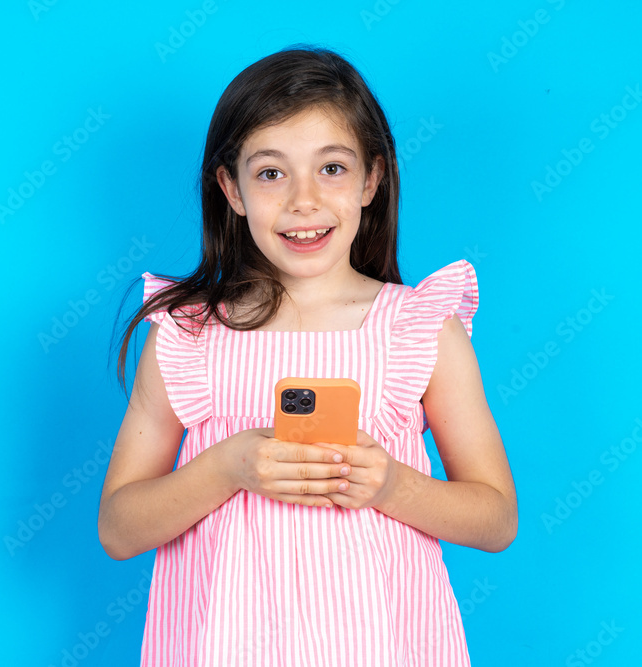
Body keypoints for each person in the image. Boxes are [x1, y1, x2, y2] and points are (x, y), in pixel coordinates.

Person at [98, 44, 517, 666]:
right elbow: (119, 527)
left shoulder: (419, 328)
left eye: (332, 168)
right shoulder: (189, 334)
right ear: (231, 188)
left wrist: (393, 485)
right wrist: (227, 467)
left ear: (372, 179)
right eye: (271, 173)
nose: (303, 200)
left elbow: (496, 518)